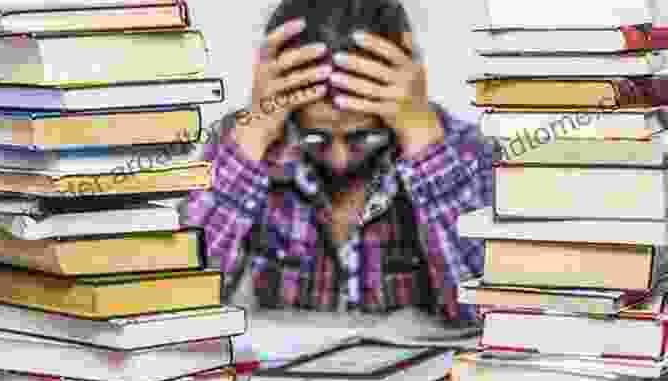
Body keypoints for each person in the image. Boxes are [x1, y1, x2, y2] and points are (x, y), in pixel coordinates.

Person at [185, 0, 494, 323]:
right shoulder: (247, 143)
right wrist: (254, 132)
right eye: (315, 137)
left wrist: (422, 139)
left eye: (362, 138)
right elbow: (180, 303)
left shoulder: (469, 153)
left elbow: (490, 318)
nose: (338, 161)